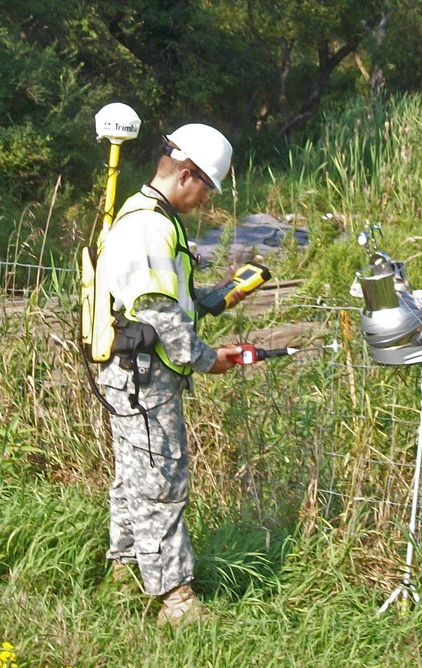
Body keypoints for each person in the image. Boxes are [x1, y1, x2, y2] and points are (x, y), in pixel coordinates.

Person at [93, 123, 243, 626]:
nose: (205, 201)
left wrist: (211, 299)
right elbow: (157, 312)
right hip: (145, 376)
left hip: (131, 372)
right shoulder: (151, 228)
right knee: (161, 479)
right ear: (186, 174)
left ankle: (123, 570)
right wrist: (208, 358)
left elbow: (163, 298)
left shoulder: (144, 215)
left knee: (134, 475)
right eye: (207, 189)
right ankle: (176, 600)